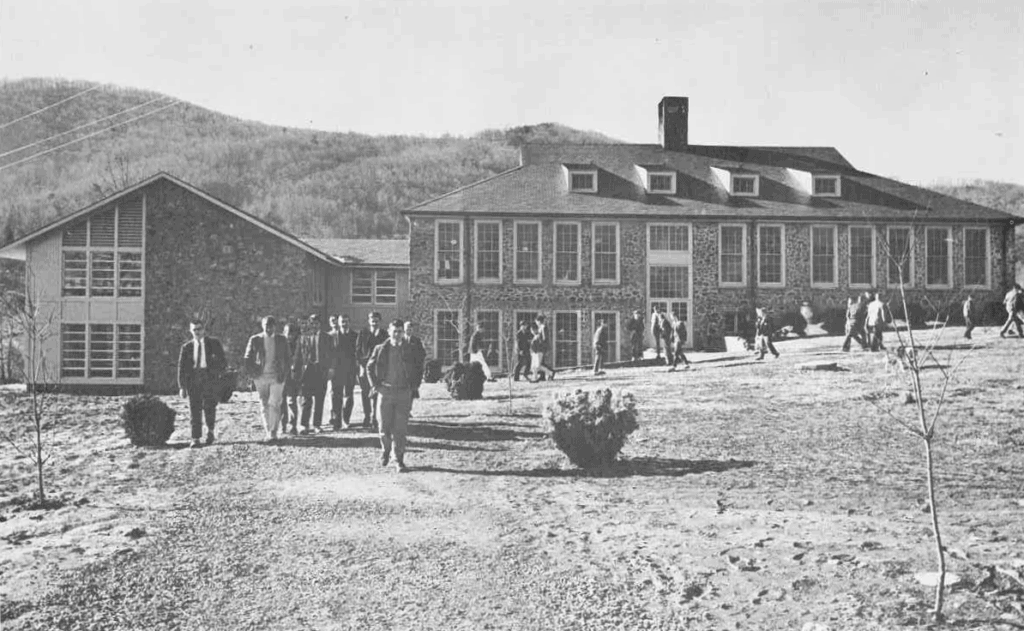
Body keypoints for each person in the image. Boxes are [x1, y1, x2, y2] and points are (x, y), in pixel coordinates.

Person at [366, 319, 424, 473]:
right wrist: (376, 386)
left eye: (400, 331)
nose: (397, 334)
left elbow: (419, 367)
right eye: (395, 331)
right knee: (383, 427)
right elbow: (369, 367)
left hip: (404, 392)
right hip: (385, 392)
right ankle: (386, 450)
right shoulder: (380, 349)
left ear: (403, 333)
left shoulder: (410, 349)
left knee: (400, 429)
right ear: (389, 331)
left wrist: (414, 385)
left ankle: (398, 459)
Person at [177, 319, 227, 448]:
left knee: (210, 406)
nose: (197, 332)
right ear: (191, 331)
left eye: (199, 329)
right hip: (193, 380)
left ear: (203, 330)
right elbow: (182, 368)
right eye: (194, 330)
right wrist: (182, 387)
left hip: (209, 379)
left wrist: (216, 374)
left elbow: (223, 361)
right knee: (195, 409)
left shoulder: (213, 344)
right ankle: (196, 437)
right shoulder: (187, 347)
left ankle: (210, 431)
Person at [243, 316, 290, 442]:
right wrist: (252, 374)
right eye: (266, 326)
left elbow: (287, 358)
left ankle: (274, 432)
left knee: (274, 403)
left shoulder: (282, 339)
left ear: (275, 326)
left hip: (277, 376)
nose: (269, 328)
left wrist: (284, 374)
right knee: (264, 403)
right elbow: (247, 358)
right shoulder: (255, 339)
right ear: (262, 326)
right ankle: (268, 430)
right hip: (260, 377)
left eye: (271, 326)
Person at [294, 313, 332, 434]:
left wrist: (331, 368)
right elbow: (298, 355)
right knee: (306, 399)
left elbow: (332, 354)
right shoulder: (303, 337)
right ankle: (304, 425)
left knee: (319, 399)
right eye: (312, 323)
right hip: (307, 371)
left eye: (317, 323)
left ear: (320, 324)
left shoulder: (327, 337)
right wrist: (296, 369)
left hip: (321, 370)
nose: (314, 325)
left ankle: (317, 424)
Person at [357, 312, 388, 427]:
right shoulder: (363, 333)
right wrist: (361, 366)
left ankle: (375, 417)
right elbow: (358, 350)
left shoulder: (384, 334)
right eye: (372, 320)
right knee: (365, 393)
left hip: (378, 368)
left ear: (380, 321)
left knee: (376, 392)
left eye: (376, 320)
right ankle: (367, 416)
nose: (374, 322)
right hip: (365, 367)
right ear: (368, 321)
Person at [330, 314, 359, 429]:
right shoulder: (333, 336)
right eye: (342, 321)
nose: (344, 324)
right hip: (337, 371)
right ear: (339, 322)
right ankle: (336, 421)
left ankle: (346, 419)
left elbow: (357, 353)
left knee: (348, 396)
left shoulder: (355, 336)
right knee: (336, 396)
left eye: (346, 321)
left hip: (350, 370)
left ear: (349, 322)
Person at [281, 322, 302, 435]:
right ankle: (283, 425)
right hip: (281, 376)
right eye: (287, 333)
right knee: (281, 402)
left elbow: (300, 361)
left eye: (291, 334)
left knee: (291, 401)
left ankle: (293, 425)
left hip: (293, 377)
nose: (289, 336)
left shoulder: (298, 346)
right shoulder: (279, 345)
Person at [530, 316, 555, 382]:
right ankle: (535, 378)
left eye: (537, 321)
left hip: (540, 349)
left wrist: (544, 348)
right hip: (536, 349)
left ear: (539, 321)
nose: (536, 323)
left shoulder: (543, 327)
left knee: (538, 365)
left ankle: (550, 372)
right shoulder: (540, 328)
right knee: (534, 365)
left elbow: (544, 339)